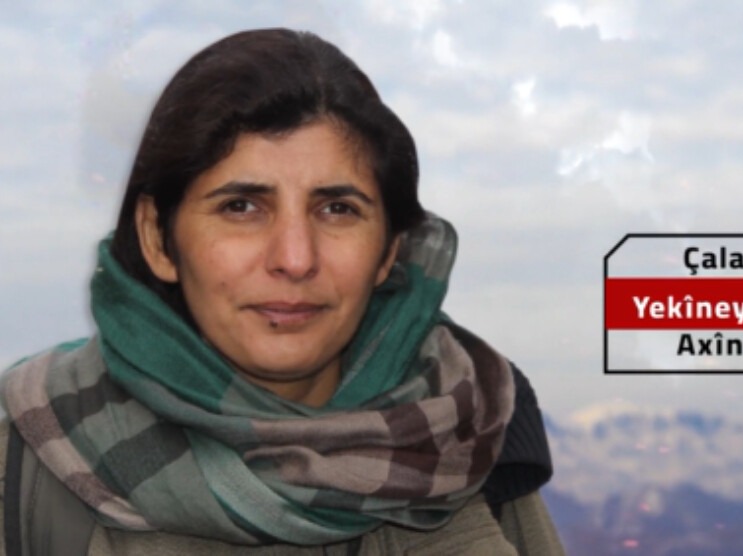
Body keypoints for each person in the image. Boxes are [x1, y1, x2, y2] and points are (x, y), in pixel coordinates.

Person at [0, 28, 563, 555]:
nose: (295, 259)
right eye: (241, 206)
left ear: (389, 249)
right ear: (157, 238)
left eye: (337, 209)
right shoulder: (30, 461)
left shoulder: (473, 430)